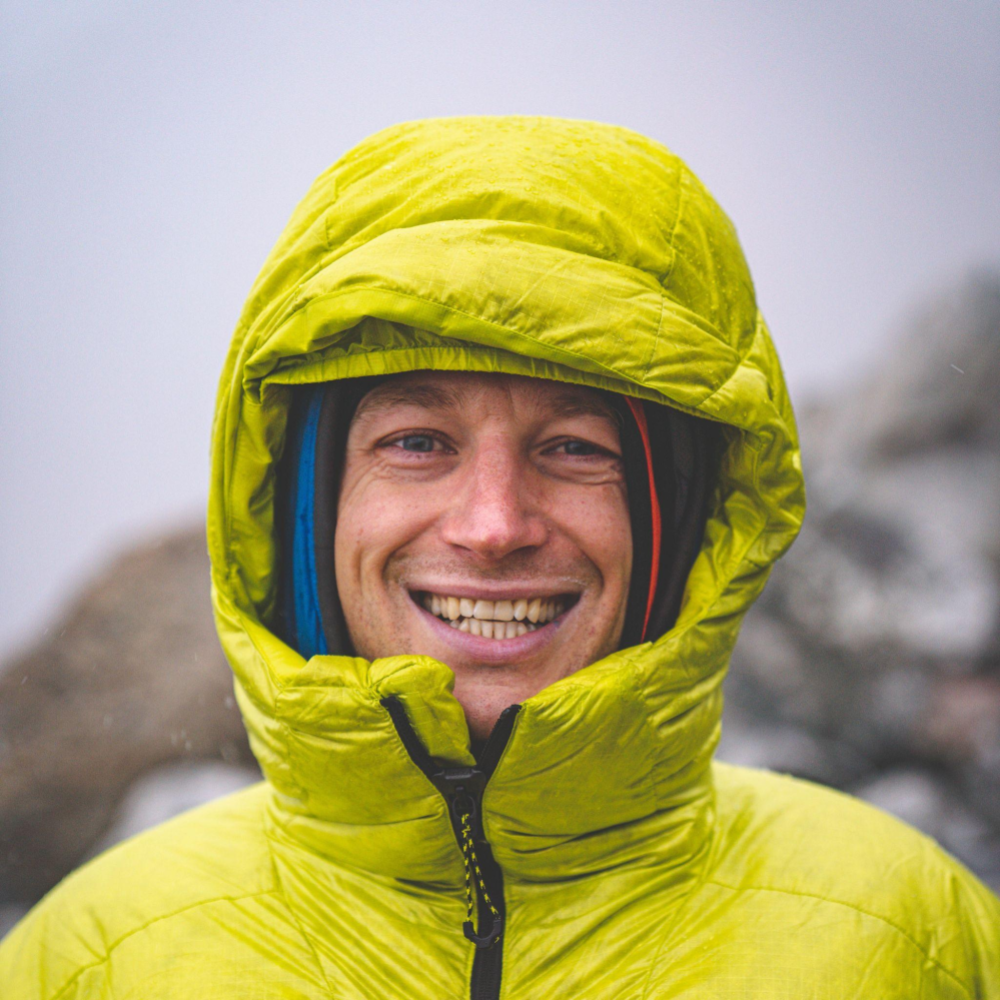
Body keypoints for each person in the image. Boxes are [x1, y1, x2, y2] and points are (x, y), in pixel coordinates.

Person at [2, 116, 997, 998]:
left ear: (680, 521)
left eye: (573, 448)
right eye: (416, 443)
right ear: (311, 512)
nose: (492, 524)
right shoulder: (90, 964)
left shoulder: (914, 941)